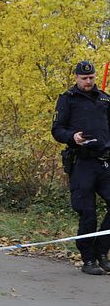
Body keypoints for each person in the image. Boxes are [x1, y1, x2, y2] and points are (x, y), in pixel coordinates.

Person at [52, 60, 110, 275]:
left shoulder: (105, 99)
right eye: (84, 78)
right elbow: (57, 130)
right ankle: (88, 259)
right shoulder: (68, 99)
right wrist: (71, 137)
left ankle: (102, 252)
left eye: (91, 77)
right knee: (88, 213)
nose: (88, 81)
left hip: (103, 162)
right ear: (76, 78)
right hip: (81, 162)